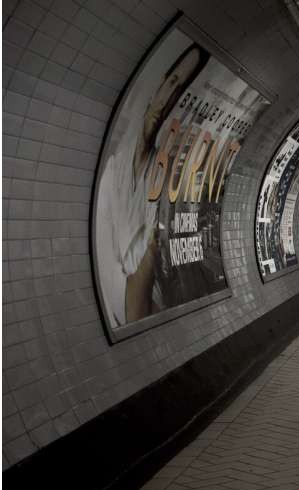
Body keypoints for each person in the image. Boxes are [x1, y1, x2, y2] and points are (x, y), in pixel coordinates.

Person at [96, 44, 209, 327]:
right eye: (171, 83)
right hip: (120, 304)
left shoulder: (161, 173)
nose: (169, 98)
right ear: (159, 83)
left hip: (146, 301)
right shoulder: (112, 168)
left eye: (179, 91)